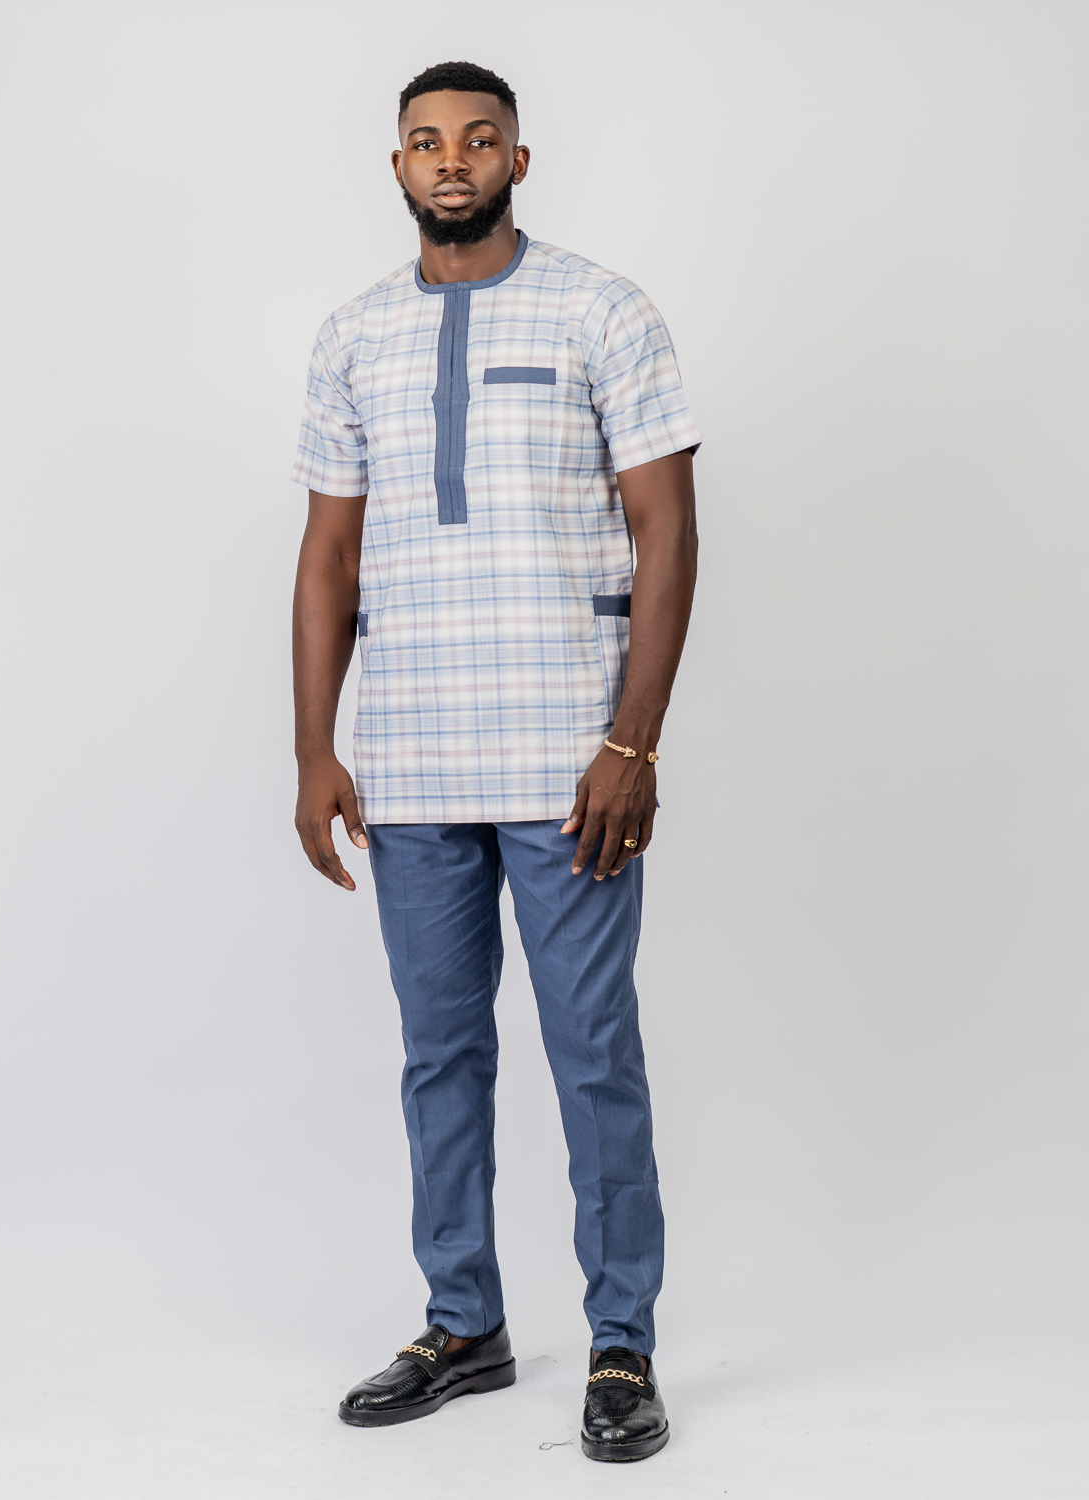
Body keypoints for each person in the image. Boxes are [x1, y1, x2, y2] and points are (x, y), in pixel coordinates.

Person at [291, 59, 699, 1463]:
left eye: (478, 139)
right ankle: (463, 1324)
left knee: (594, 1056)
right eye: (425, 141)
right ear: (398, 166)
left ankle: (622, 1343)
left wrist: (631, 741)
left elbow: (668, 533)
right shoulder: (353, 335)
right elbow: (328, 555)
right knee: (441, 1057)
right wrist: (315, 750)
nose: (451, 159)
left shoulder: (602, 310)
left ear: (519, 160)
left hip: (567, 762)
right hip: (409, 765)